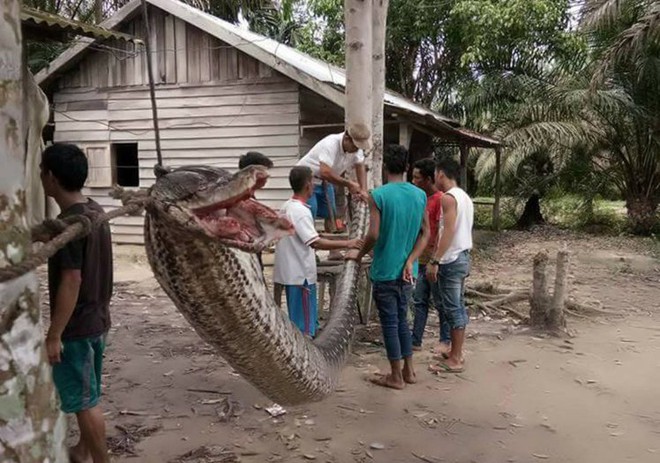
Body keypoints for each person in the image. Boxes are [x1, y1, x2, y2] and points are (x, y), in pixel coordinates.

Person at [40, 143, 112, 463]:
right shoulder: (94, 211)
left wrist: (54, 334)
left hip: (78, 328)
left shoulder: (72, 223)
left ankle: (101, 460)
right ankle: (82, 451)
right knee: (89, 391)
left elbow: (72, 280)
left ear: (51, 177)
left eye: (42, 172)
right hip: (98, 320)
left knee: (85, 401)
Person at [347, 145, 429, 389]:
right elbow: (426, 233)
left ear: (384, 167)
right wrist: (412, 259)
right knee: (403, 320)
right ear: (406, 167)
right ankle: (409, 371)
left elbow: (373, 233)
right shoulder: (419, 195)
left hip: (385, 270)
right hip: (408, 271)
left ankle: (394, 375)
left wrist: (360, 253)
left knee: (390, 323)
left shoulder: (379, 195)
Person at [273, 166, 362, 337]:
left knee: (299, 319)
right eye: (313, 183)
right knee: (304, 327)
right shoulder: (300, 211)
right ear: (308, 185)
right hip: (301, 274)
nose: (314, 186)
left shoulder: (286, 206)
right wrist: (348, 243)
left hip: (290, 272)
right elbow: (316, 243)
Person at [427, 158, 474, 374]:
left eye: (435, 173)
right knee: (455, 305)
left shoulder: (448, 198)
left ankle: (456, 357)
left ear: (441, 174)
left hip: (452, 258)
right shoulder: (464, 197)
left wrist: (435, 259)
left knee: (453, 307)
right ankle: (455, 351)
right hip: (462, 255)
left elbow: (449, 230)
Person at [296, 126, 371, 258]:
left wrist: (363, 189)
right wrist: (349, 184)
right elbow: (325, 171)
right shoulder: (330, 143)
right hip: (308, 181)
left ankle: (333, 250)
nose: (356, 150)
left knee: (331, 215)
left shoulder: (355, 149)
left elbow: (360, 166)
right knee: (309, 213)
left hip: (326, 181)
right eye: (354, 146)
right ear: (347, 138)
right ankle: (310, 252)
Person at [409, 158, 451, 353]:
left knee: (440, 302)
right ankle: (415, 340)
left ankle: (445, 339)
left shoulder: (440, 200)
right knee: (419, 301)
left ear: (427, 179)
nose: (413, 181)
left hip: (434, 260)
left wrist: (435, 260)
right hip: (421, 258)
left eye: (417, 178)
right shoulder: (419, 198)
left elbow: (441, 232)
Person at [238, 151, 274, 271]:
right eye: (264, 171)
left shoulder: (248, 195)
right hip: (245, 261)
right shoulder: (240, 198)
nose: (267, 175)